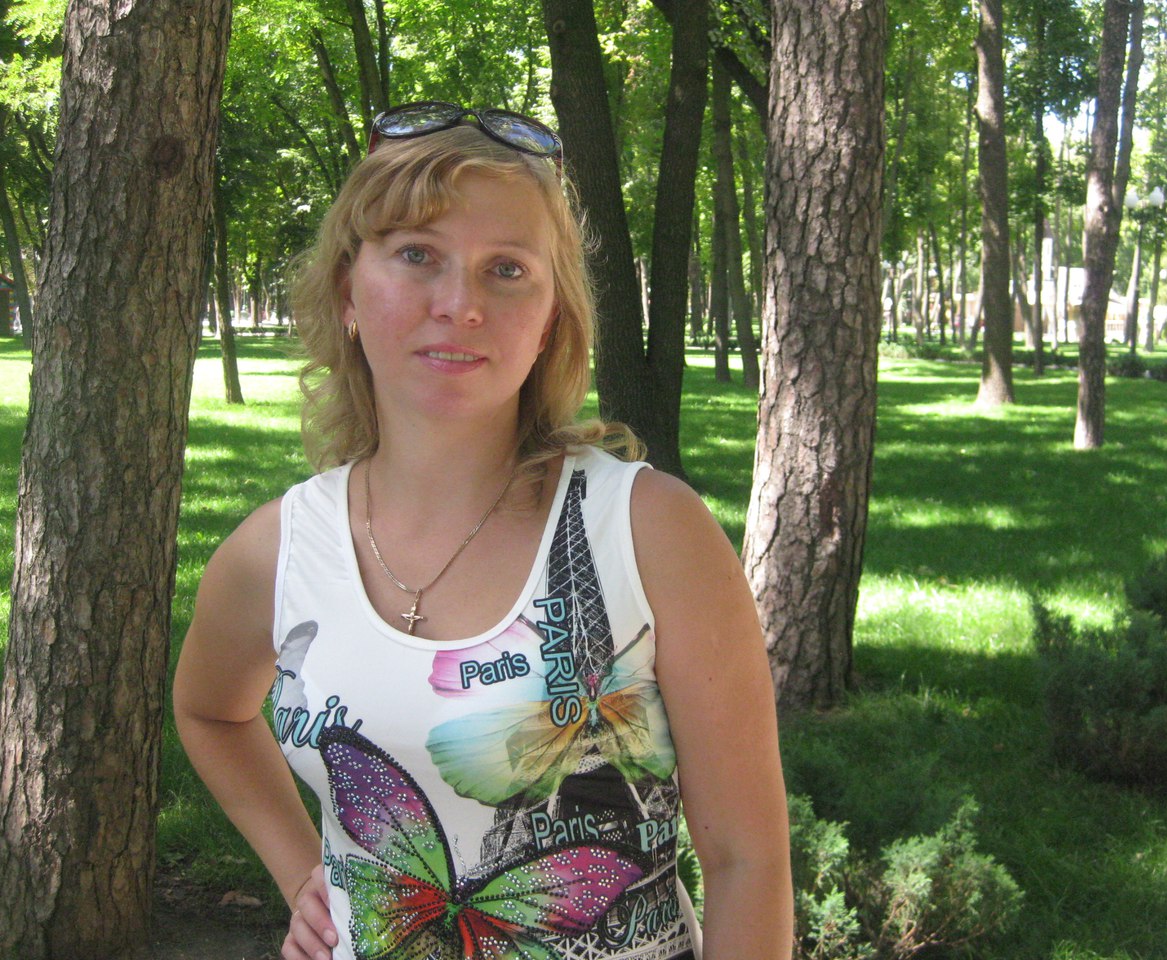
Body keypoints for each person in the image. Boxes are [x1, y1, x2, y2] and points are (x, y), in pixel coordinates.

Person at [173, 101, 792, 960]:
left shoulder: (647, 530)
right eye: (417, 255)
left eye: (506, 269)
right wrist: (300, 871)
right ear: (349, 292)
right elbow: (208, 711)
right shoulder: (277, 552)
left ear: (550, 320)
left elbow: (747, 861)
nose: (459, 304)